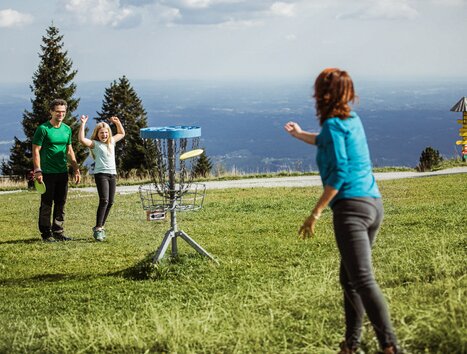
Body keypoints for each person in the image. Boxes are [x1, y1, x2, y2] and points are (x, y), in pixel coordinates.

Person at [284, 68, 400, 354]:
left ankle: (391, 347)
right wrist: (300, 136)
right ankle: (350, 345)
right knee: (349, 279)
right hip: (373, 204)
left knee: (362, 279)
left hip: (351, 209)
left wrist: (315, 214)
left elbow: (338, 174)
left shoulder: (334, 125)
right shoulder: (351, 120)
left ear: (323, 94)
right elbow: (327, 141)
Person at [32, 98, 81, 242]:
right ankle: (46, 234)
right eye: (58, 111)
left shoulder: (67, 129)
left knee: (61, 202)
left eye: (63, 112)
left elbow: (69, 149)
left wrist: (76, 169)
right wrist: (38, 170)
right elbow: (35, 150)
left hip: (62, 172)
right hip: (47, 172)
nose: (60, 114)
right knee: (47, 203)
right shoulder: (43, 129)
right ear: (51, 112)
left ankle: (58, 231)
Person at [79, 115, 125, 241]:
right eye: (101, 133)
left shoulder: (112, 142)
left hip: (112, 174)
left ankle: (101, 226)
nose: (104, 135)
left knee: (110, 202)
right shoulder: (95, 144)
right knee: (104, 200)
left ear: (108, 133)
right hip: (101, 175)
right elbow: (82, 139)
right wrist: (83, 123)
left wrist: (117, 122)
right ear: (97, 134)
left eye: (106, 133)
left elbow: (121, 133)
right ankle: (98, 228)